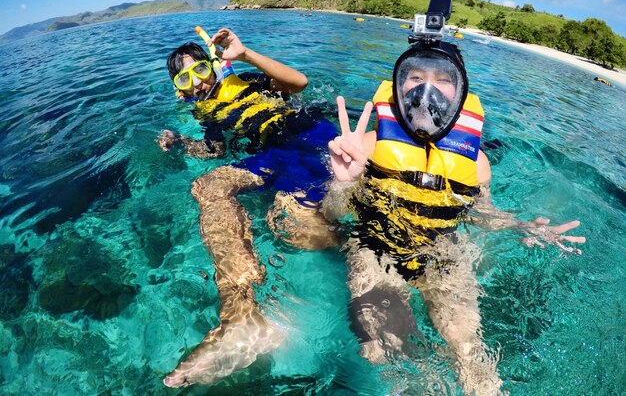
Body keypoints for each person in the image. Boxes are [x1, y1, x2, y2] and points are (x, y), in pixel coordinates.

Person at [321, 39, 586, 395]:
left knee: (468, 350)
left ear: (460, 92)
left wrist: (521, 227)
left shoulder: (476, 163)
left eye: (443, 79)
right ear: (400, 85)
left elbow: (482, 214)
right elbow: (333, 214)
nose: (426, 88)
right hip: (377, 246)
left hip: (443, 254)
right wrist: (343, 182)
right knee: (380, 346)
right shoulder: (366, 145)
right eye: (415, 76)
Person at [159, 27, 339, 388]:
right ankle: (241, 315)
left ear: (213, 66)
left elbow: (299, 84)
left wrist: (244, 55)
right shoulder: (204, 110)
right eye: (184, 77)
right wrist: (181, 142)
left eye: (200, 70)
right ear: (178, 86)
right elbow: (216, 151)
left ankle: (352, 249)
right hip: (270, 156)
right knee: (207, 185)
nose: (195, 82)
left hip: (306, 139)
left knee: (288, 226)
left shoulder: (249, 80)